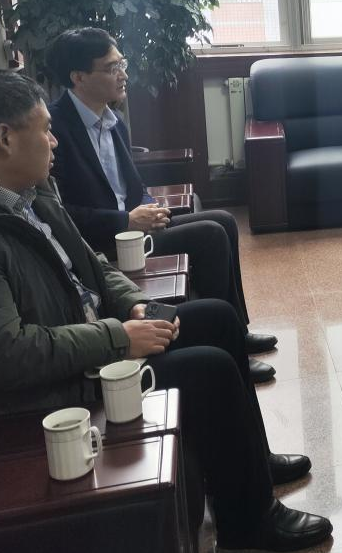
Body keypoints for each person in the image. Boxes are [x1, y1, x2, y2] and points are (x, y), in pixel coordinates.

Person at [0, 71, 331, 552]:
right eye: (45, 129)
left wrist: (132, 303)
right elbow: (4, 355)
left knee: (217, 319)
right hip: (43, 391)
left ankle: (254, 463)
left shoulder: (26, 192)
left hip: (88, 341)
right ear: (4, 138)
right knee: (209, 369)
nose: (54, 140)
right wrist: (118, 337)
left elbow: (93, 264)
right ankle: (249, 521)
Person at [43, 27, 277, 384]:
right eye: (112, 68)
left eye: (122, 64)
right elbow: (64, 216)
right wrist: (125, 220)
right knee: (210, 234)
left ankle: (237, 333)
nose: (123, 74)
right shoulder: (55, 132)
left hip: (134, 229)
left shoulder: (113, 121)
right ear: (79, 77)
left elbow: (132, 186)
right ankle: (231, 349)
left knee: (224, 221)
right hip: (106, 241)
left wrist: (149, 207)